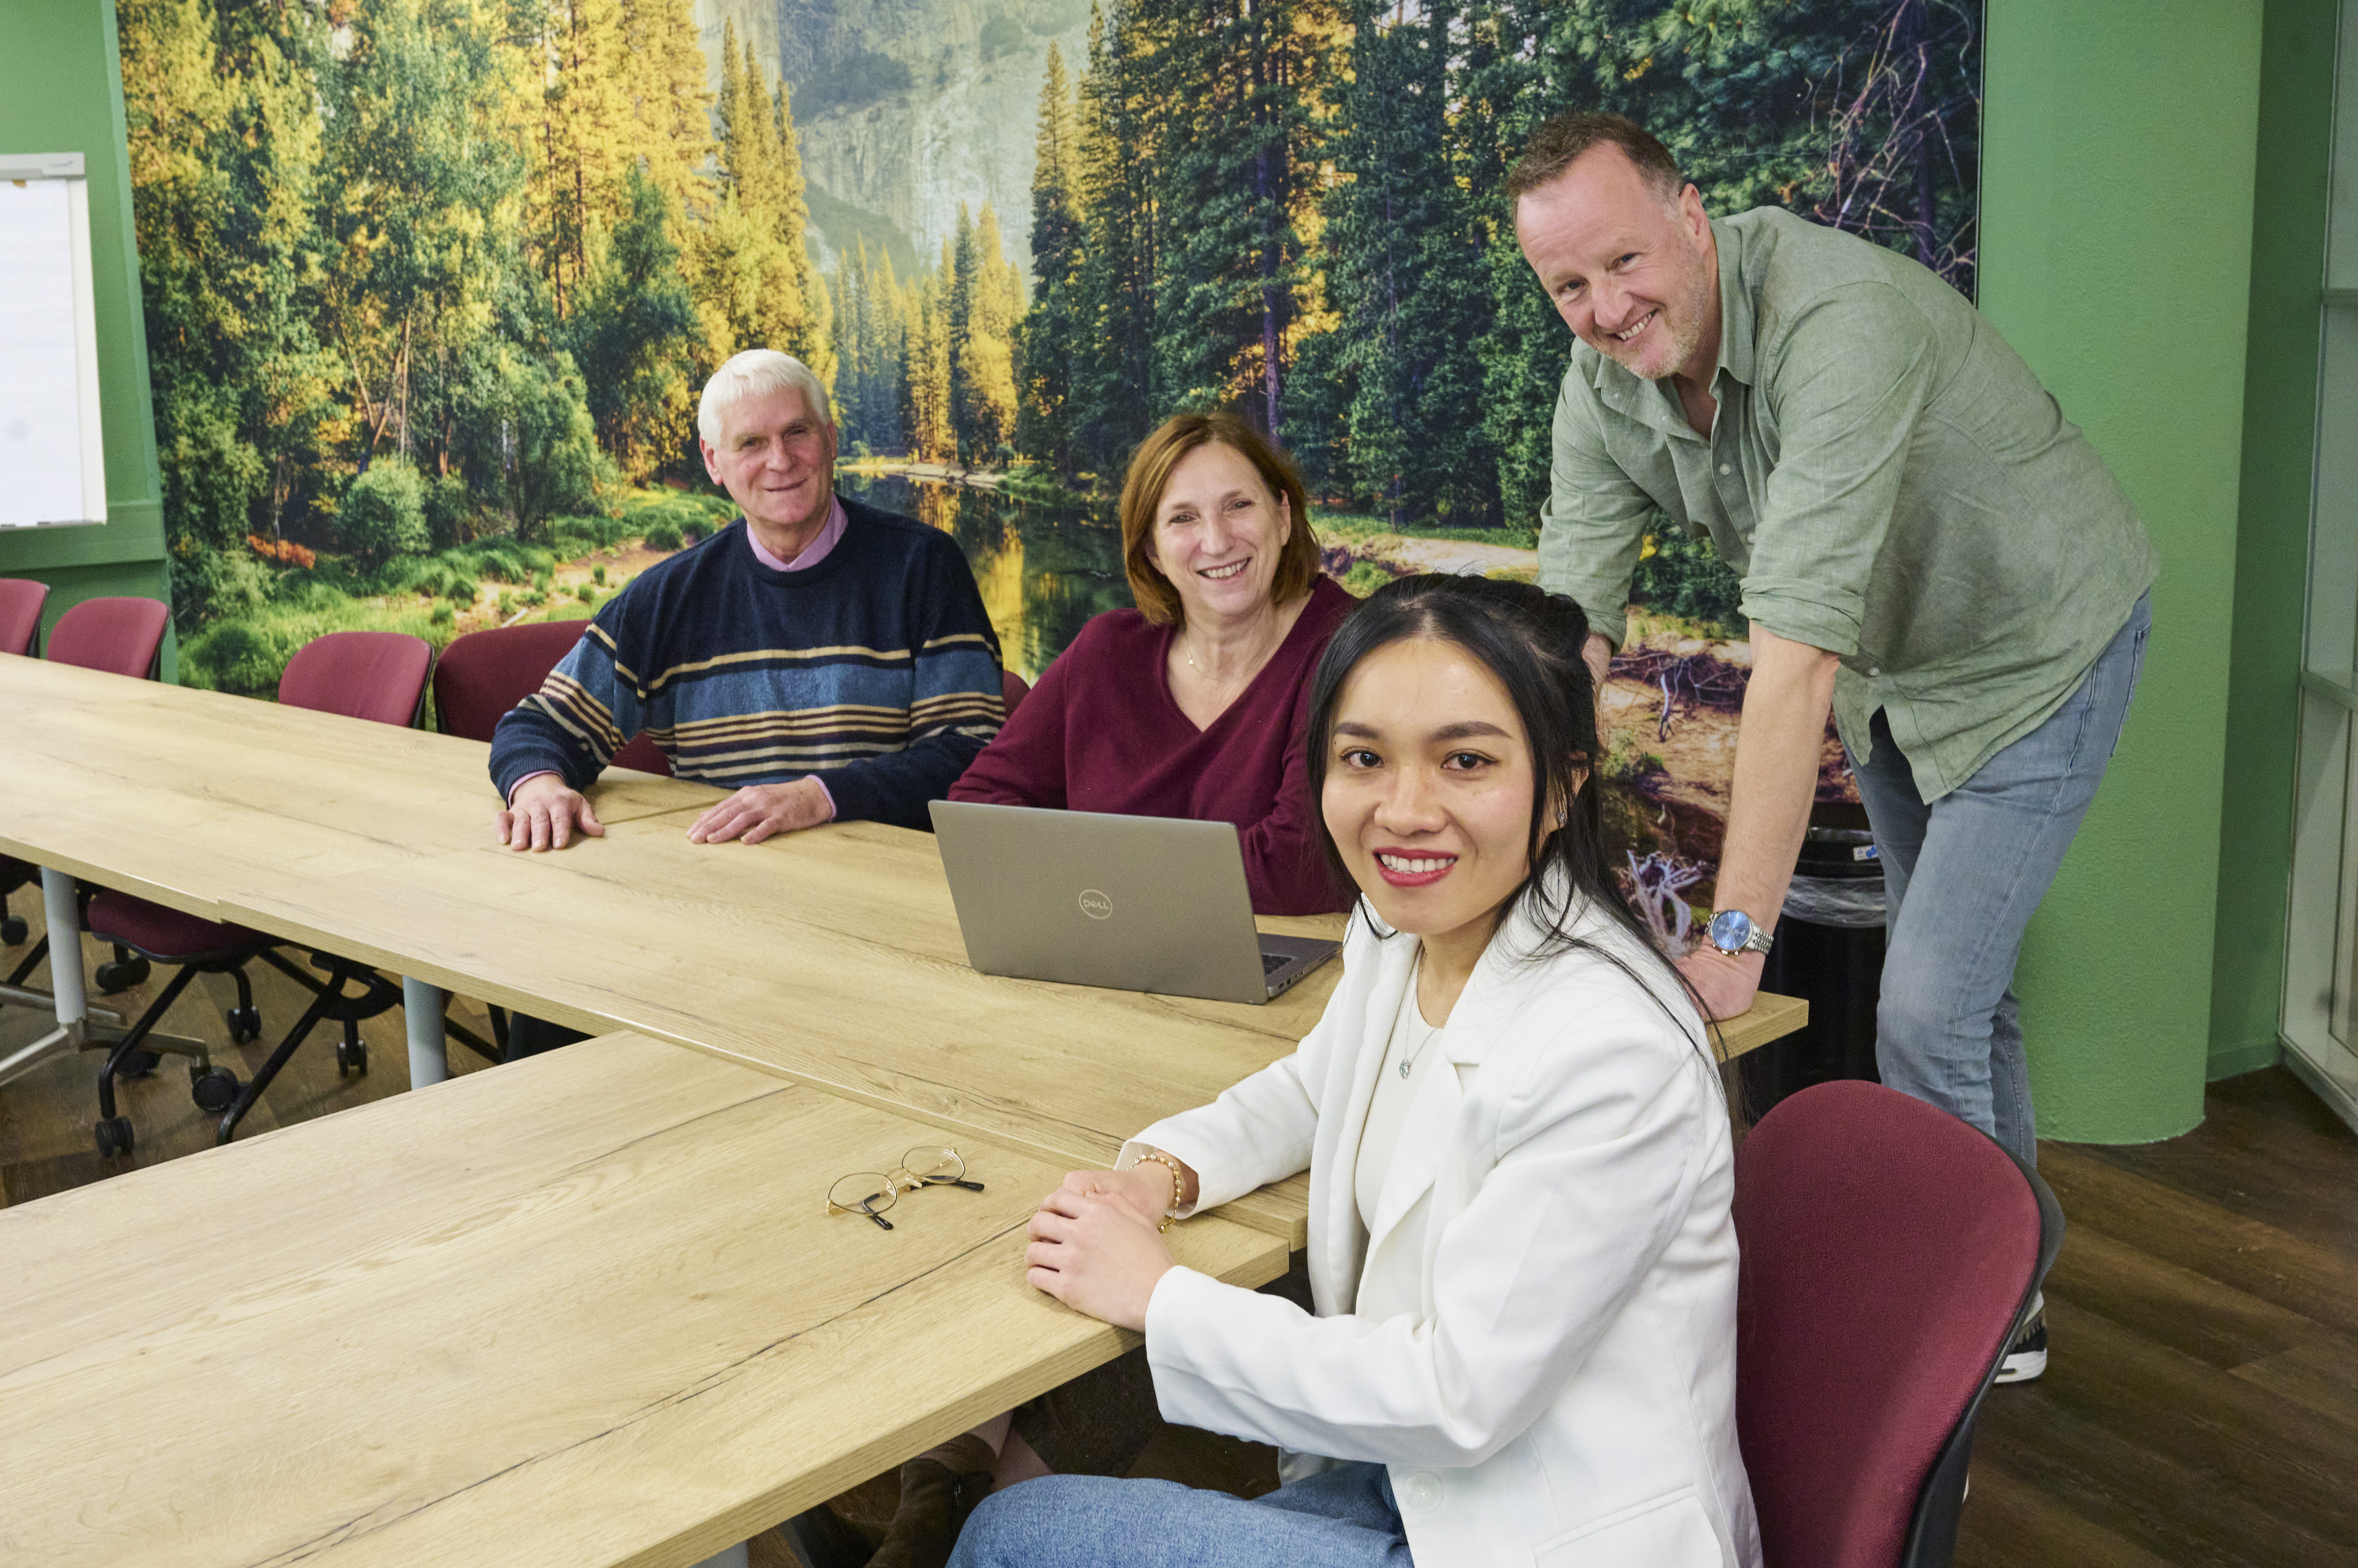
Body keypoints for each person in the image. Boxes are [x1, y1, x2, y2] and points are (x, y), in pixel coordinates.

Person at [1513, 112, 2154, 1381]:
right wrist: (1505, 816)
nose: (1602, 307)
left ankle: (1960, 1338)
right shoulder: (1601, 392)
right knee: (1964, 1003)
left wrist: (1736, 939)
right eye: (1566, 286)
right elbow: (1564, 639)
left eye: (1623, 262)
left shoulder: (1836, 323)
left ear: (1690, 215)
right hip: (1893, 672)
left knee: (1924, 1010)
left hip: (2036, 648)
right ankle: (2011, 1276)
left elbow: (1790, 658)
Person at [946, 574, 1758, 1568]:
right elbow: (1315, 1084)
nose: (1403, 811)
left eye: (1465, 760)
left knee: (1012, 1534)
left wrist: (1159, 1295)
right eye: (1363, 757)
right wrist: (1160, 1172)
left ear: (1561, 783)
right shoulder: (1403, 927)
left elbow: (1455, 1397)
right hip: (1414, 1485)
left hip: (1534, 1530)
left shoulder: (1610, 1052)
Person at [490, 349, 1005, 850]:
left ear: (830, 439)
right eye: (752, 443)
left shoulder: (925, 567)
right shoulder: (670, 597)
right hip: (730, 890)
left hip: (885, 887)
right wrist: (540, 788)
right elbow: (539, 725)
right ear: (714, 462)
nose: (780, 461)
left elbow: (972, 756)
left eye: (797, 433)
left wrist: (817, 797)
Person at [950, 411, 1356, 915]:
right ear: (1154, 552)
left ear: (1283, 517)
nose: (1217, 540)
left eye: (1239, 506)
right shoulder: (1108, 652)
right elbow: (977, 804)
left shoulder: (1350, 649)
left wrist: (1092, 868)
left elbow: (1297, 868)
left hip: (1302, 968)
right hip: (1109, 952)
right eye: (1183, 518)